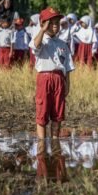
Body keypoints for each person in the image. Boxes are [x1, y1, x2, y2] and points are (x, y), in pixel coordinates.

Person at [29, 7, 75, 139]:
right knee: (42, 111)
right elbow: (35, 46)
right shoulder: (40, 40)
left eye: (57, 23)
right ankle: (42, 143)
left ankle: (55, 141)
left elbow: (67, 66)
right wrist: (42, 30)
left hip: (59, 79)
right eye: (51, 23)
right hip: (44, 78)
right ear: (43, 24)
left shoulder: (62, 44)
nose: (55, 26)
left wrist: (67, 83)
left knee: (58, 112)